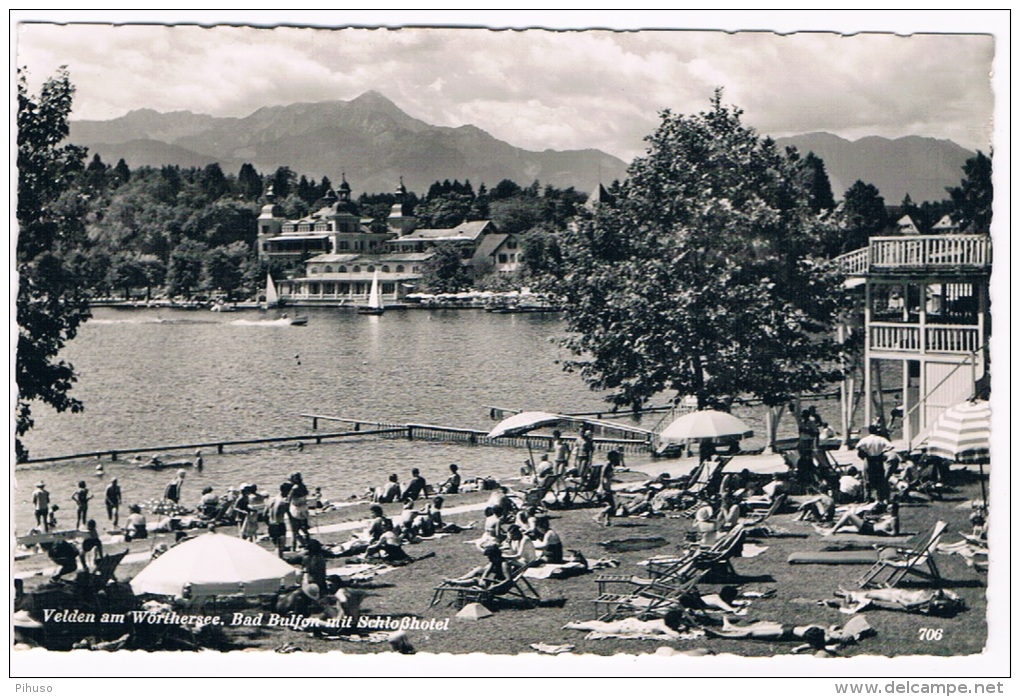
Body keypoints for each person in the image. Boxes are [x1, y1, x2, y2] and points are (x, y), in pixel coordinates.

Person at [444, 544, 514, 593]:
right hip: (495, 583)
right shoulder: (494, 562)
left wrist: (495, 586)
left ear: (495, 556)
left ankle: (454, 582)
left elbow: (508, 580)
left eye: (490, 557)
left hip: (501, 587)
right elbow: (487, 572)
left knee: (475, 581)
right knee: (479, 570)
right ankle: (457, 580)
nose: (489, 559)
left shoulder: (504, 564)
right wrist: (483, 579)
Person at [856, 425, 894, 503]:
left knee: (867, 480)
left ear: (869, 431)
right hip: (878, 460)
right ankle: (880, 498)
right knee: (880, 480)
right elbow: (891, 446)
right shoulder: (881, 439)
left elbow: (858, 446)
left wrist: (865, 452)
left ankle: (867, 498)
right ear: (876, 431)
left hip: (869, 459)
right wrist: (883, 451)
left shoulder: (865, 440)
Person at [821, 501, 900, 536]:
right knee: (845, 528)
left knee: (848, 514)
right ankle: (826, 531)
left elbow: (894, 533)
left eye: (890, 508)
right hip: (869, 527)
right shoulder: (890, 517)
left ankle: (832, 530)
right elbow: (879, 519)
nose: (888, 510)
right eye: (888, 508)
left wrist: (885, 532)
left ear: (895, 509)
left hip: (869, 529)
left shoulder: (894, 520)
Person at [266, 482, 292, 557]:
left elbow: (264, 515)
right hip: (280, 525)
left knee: (276, 547)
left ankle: (277, 561)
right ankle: (281, 562)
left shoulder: (270, 500)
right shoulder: (283, 503)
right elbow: (289, 515)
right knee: (280, 548)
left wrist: (269, 524)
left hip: (271, 525)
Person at [288, 472, 311, 549]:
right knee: (304, 528)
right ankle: (308, 542)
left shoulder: (294, 488)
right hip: (304, 508)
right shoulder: (303, 486)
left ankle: (294, 546)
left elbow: (289, 498)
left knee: (294, 530)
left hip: (296, 509)